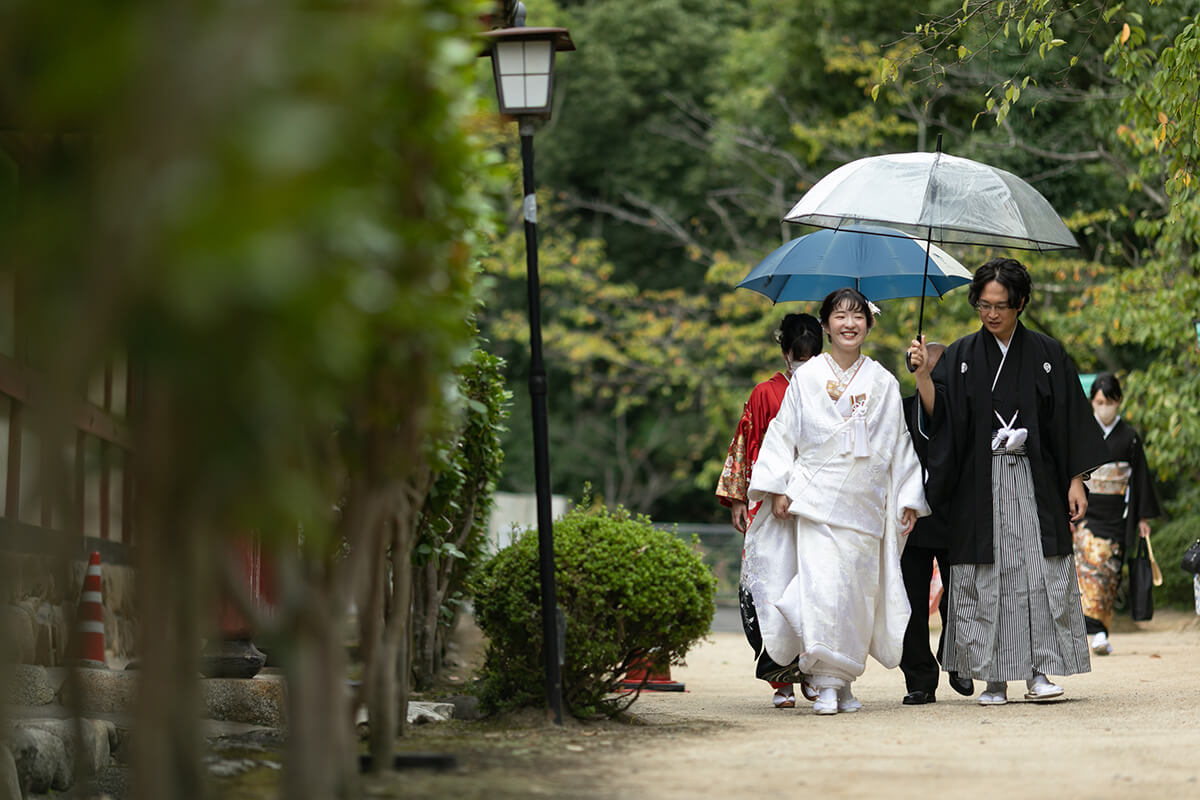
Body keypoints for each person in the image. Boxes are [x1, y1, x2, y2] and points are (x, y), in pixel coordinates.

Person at [907, 257, 1109, 706]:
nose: (991, 314)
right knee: (986, 576)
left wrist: (1075, 479)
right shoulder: (961, 355)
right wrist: (922, 375)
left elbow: (1068, 421)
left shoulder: (1047, 354)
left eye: (1000, 305)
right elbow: (940, 417)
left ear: (1020, 303)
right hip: (979, 485)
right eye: (983, 305)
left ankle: (1038, 672)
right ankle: (992, 677)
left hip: (1035, 480)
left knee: (1037, 572)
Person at [743, 288, 929, 715]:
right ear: (825, 325)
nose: (849, 324)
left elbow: (899, 444)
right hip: (816, 500)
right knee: (823, 589)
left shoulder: (883, 381)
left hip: (864, 506)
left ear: (869, 323)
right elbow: (783, 434)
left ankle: (842, 681)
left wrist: (908, 496)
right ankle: (825, 683)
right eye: (840, 316)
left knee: (856, 597)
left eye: (857, 316)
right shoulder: (807, 378)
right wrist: (777, 487)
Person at [716, 313, 823, 708]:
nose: (804, 364)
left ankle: (815, 670)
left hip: (816, 503)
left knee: (814, 587)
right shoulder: (765, 393)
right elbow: (745, 442)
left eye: (811, 358)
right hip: (769, 506)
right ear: (785, 353)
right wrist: (739, 498)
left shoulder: (829, 391)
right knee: (771, 588)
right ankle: (781, 680)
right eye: (798, 357)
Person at [898, 341, 974, 704]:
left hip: (956, 514)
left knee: (962, 595)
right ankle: (919, 679)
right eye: (928, 369)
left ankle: (957, 658)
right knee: (911, 603)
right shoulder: (901, 410)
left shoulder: (966, 410)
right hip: (911, 518)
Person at [1073, 372, 1161, 655]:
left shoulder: (1129, 437)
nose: (1104, 408)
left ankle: (1101, 630)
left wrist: (1142, 518)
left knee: (1109, 573)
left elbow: (1140, 479)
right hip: (1086, 511)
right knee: (1088, 572)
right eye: (1099, 402)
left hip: (1116, 515)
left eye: (1109, 402)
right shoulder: (1083, 431)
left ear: (1119, 401)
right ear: (1092, 402)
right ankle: (1093, 631)